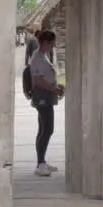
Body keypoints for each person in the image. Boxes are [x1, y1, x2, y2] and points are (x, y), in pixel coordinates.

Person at [28, 30, 63, 176]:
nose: (52, 45)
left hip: (46, 95)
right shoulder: (37, 57)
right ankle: (40, 163)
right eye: (51, 43)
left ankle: (41, 161)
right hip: (42, 96)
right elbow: (38, 80)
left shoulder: (43, 55)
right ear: (44, 42)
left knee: (43, 128)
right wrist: (53, 89)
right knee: (47, 129)